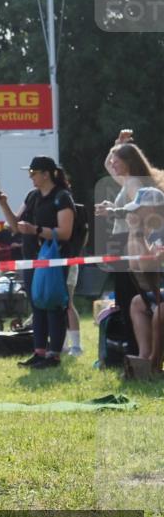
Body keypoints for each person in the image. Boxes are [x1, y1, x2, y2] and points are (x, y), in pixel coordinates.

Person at [0, 156, 75, 369]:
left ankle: (54, 355)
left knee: (53, 304)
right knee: (37, 305)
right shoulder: (32, 196)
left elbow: (65, 232)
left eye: (33, 172)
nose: (30, 177)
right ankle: (39, 353)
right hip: (31, 259)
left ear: (46, 174)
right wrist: (4, 205)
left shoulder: (62, 197)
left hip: (53, 259)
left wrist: (36, 230)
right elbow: (15, 226)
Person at [94, 131, 163, 352]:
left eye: (118, 160)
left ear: (129, 162)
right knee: (130, 297)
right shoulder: (129, 180)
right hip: (128, 240)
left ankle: (136, 349)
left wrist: (112, 211)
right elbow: (107, 164)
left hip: (130, 240)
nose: (113, 164)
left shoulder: (134, 183)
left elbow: (139, 211)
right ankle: (137, 350)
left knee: (128, 297)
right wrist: (117, 145)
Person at [122, 187, 164, 377]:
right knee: (137, 303)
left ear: (152, 209)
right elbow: (135, 263)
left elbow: (148, 264)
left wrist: (138, 233)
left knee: (161, 311)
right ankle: (143, 357)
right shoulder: (153, 233)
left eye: (139, 209)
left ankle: (154, 364)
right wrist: (135, 232)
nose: (136, 213)